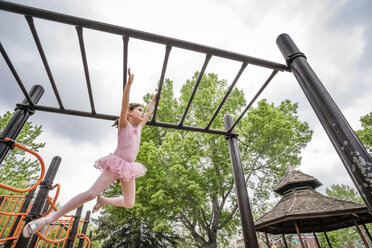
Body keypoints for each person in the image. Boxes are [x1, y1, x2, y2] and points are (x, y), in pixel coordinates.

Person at [22, 68, 158, 238]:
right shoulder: (125, 125)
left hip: (129, 168)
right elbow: (124, 105)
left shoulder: (139, 128)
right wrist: (128, 85)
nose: (143, 113)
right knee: (91, 193)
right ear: (130, 113)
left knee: (129, 203)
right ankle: (48, 219)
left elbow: (149, 113)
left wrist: (153, 100)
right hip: (116, 164)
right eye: (139, 110)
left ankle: (104, 201)